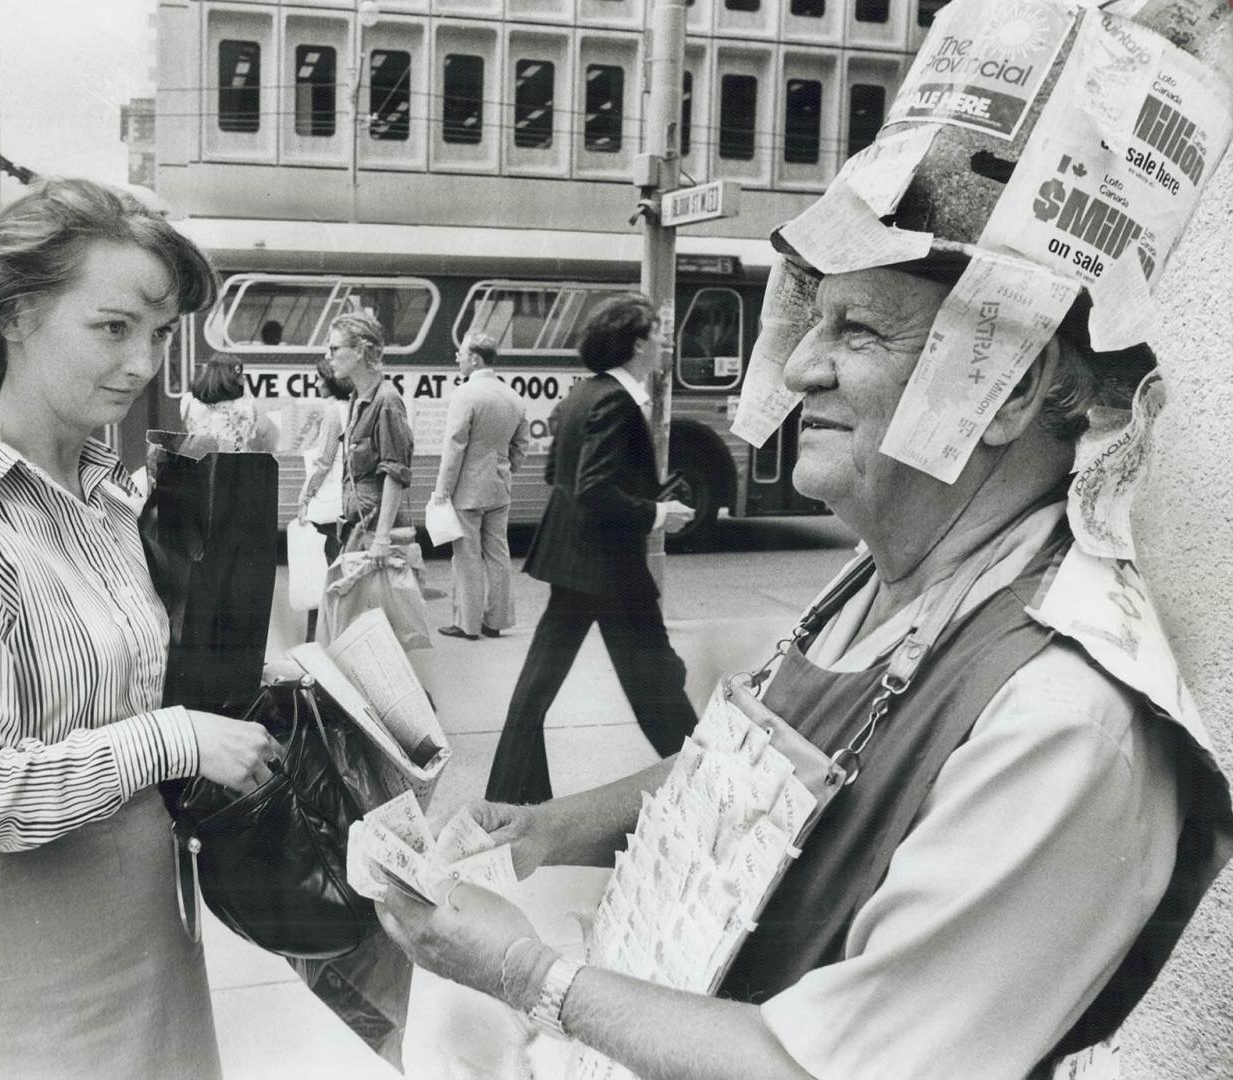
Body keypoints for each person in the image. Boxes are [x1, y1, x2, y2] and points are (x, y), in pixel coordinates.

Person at [375, 158, 1233, 1080]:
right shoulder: (883, 580)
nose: (797, 367)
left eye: (857, 331)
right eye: (814, 318)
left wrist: (523, 971)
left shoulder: (1059, 723)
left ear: (1010, 387)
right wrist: (547, 829)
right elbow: (759, 778)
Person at [0, 178, 282, 1080]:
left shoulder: (104, 504)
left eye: (160, 335)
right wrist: (170, 738)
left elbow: (122, 695)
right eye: (113, 327)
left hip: (150, 936)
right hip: (34, 983)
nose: (141, 363)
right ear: (15, 317)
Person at [484, 293, 697, 805]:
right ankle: (707, 788)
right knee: (658, 685)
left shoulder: (582, 395)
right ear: (639, 344)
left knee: (538, 687)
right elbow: (594, 489)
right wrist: (658, 513)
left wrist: (645, 494)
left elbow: (559, 473)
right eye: (659, 333)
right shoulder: (617, 403)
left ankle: (511, 796)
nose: (665, 343)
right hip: (611, 570)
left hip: (575, 565)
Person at [431, 332, 528, 641]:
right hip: (500, 487)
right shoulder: (513, 396)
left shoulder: (466, 394)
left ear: (475, 358)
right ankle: (496, 621)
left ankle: (467, 625)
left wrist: (442, 491)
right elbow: (521, 444)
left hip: (468, 489)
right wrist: (507, 468)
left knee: (467, 556)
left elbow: (455, 445)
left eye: (461, 353)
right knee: (498, 554)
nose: (457, 358)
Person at [326, 311, 413, 555]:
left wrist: (383, 539)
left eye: (334, 349)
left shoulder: (386, 401)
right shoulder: (358, 397)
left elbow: (395, 472)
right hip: (359, 529)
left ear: (360, 351)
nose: (327, 356)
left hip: (375, 533)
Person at [296, 357, 350, 640]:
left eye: (321, 379)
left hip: (329, 501)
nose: (316, 384)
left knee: (322, 573)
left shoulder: (332, 413)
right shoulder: (354, 408)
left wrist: (305, 495)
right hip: (346, 499)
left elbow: (325, 461)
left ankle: (315, 639)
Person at [179, 355, 279, 451]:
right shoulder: (241, 407)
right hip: (231, 461)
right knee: (265, 426)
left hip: (195, 459)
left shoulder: (189, 401)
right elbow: (266, 436)